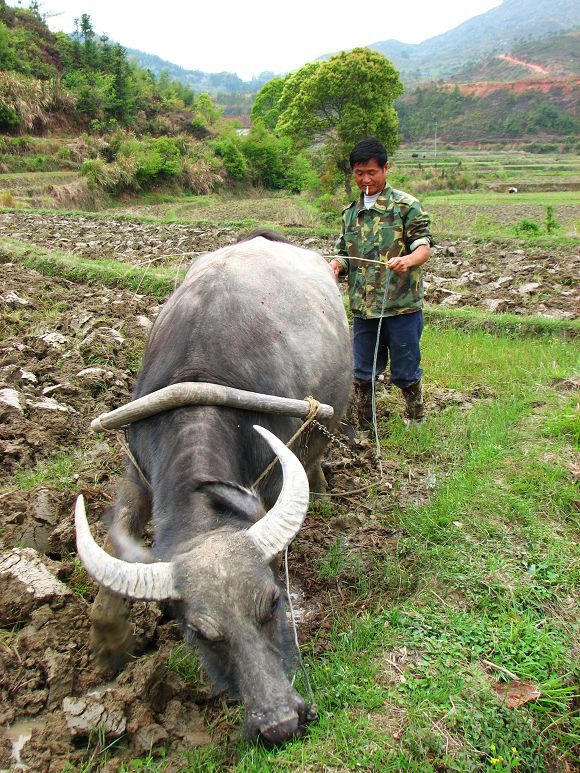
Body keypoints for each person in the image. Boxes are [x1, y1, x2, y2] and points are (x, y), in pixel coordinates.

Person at [329, 137, 433, 430]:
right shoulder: (350, 213)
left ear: (386, 169)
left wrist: (408, 261)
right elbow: (344, 252)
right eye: (359, 173)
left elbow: (423, 245)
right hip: (364, 308)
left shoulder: (406, 206)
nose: (365, 179)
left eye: (372, 172)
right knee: (362, 372)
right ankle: (365, 425)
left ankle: (415, 419)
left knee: (406, 369)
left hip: (401, 306)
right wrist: (337, 265)